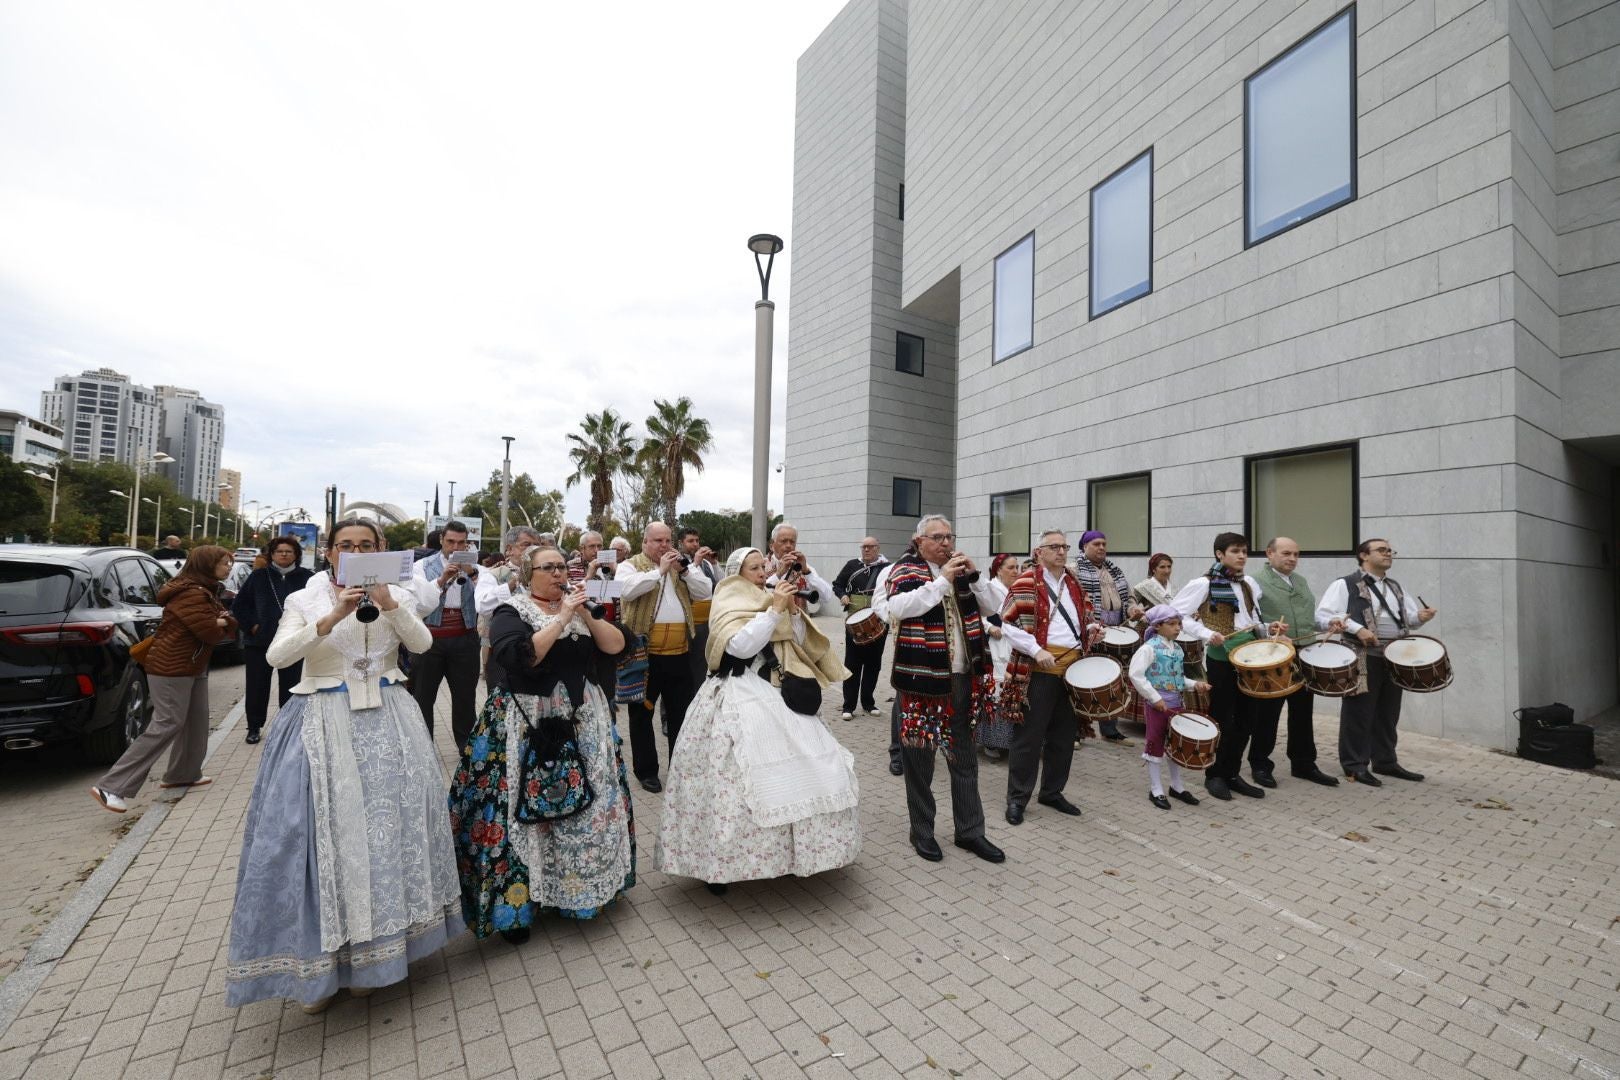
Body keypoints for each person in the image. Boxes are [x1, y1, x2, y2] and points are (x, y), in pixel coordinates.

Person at [225, 519, 462, 1012]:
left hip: (390, 722)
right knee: (320, 839)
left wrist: (391, 604)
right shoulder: (304, 599)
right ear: (331, 553)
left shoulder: (397, 594)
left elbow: (420, 646)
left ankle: (373, 959)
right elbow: (276, 655)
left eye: (366, 546)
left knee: (387, 836)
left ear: (380, 551)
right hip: (323, 721)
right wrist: (333, 615)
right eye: (346, 546)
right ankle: (318, 965)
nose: (355, 552)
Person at [448, 545, 634, 943]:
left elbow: (617, 646)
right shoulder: (510, 611)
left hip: (584, 720)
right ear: (527, 573)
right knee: (519, 812)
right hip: (526, 723)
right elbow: (519, 658)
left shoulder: (581, 609)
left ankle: (579, 891)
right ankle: (517, 908)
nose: (557, 574)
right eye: (547, 568)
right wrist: (561, 618)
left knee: (589, 801)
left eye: (562, 567)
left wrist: (582, 613)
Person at [656, 548, 860, 894]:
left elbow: (796, 641)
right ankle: (717, 865)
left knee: (804, 766)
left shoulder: (770, 595)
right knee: (728, 783)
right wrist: (774, 610)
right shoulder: (728, 596)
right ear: (737, 572)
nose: (760, 572)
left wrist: (792, 613)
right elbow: (737, 647)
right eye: (753, 568)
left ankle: (792, 856)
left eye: (762, 566)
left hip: (776, 689)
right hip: (737, 691)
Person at [887, 516, 1004, 865]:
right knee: (920, 760)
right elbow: (898, 608)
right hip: (921, 681)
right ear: (918, 541)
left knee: (964, 759)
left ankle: (971, 832)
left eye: (948, 536)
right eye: (936, 537)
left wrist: (975, 576)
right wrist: (942, 582)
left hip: (961, 679)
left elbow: (995, 607)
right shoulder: (904, 570)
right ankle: (922, 832)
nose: (945, 543)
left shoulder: (960, 571)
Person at [90, 546, 238, 812]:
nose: (229, 567)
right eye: (224, 563)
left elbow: (220, 622)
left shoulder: (204, 588)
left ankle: (184, 774)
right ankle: (112, 786)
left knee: (195, 721)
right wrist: (220, 623)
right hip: (172, 666)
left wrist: (221, 621)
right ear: (206, 564)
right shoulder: (191, 592)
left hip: (192, 663)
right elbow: (209, 631)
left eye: (229, 563)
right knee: (167, 723)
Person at [1170, 533, 1287, 801]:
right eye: (1235, 551)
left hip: (1250, 656)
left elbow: (1251, 619)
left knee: (1247, 719)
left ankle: (1233, 774)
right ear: (1220, 554)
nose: (1242, 556)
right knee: (1223, 719)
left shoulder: (1248, 584)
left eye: (1245, 551)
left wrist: (1269, 627)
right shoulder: (1204, 583)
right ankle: (1215, 775)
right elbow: (1177, 614)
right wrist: (1206, 633)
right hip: (1221, 658)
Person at [996, 530, 1102, 824]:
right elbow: (1008, 624)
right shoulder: (1025, 582)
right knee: (1028, 738)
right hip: (1038, 669)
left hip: (1072, 668)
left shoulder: (1073, 582)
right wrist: (1035, 648)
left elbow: (1084, 616)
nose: (1061, 551)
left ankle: (1052, 792)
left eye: (1064, 546)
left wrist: (1091, 629)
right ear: (1038, 552)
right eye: (1053, 547)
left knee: (1063, 737)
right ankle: (1017, 798)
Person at [1316, 538, 1437, 786]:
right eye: (1381, 550)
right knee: (1359, 712)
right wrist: (1358, 628)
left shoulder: (1394, 586)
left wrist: (1421, 617)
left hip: (1394, 657)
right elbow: (1324, 615)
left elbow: (1407, 619)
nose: (1388, 553)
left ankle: (1385, 761)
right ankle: (1354, 765)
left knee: (1388, 712)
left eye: (1390, 550)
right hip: (1362, 655)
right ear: (1363, 555)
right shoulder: (1345, 584)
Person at [615, 521, 714, 792]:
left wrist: (686, 571)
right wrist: (659, 572)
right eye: (658, 541)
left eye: (668, 540)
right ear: (645, 543)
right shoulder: (631, 565)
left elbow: (706, 591)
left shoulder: (681, 567)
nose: (664, 546)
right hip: (645, 654)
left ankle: (680, 769)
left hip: (679, 653)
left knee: (681, 713)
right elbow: (626, 590)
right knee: (641, 713)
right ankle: (646, 771)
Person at [1252, 537, 1343, 787]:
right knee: (1267, 714)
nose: (1292, 559)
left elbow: (1308, 617)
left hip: (1304, 654)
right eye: (1286, 553)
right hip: (1274, 658)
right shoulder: (1255, 581)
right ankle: (1260, 764)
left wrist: (1328, 623)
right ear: (1270, 553)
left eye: (1296, 554)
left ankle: (1303, 763)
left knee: (1302, 712)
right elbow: (1250, 619)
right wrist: (1269, 632)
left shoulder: (1300, 581)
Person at [231, 536, 315, 744]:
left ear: (297, 555)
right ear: (272, 554)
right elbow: (240, 605)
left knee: (291, 686)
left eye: (289, 551)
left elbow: (316, 604)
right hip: (259, 643)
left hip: (292, 643)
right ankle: (254, 727)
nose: (284, 554)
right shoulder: (259, 576)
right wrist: (252, 625)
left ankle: (287, 727)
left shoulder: (307, 578)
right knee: (257, 686)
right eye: (279, 551)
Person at [1127, 606, 1211, 809]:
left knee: (1175, 744)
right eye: (1172, 624)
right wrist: (1154, 698)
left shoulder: (1177, 649)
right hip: (1157, 705)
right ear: (1157, 626)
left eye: (1179, 624)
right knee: (1155, 744)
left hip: (1176, 703)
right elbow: (1135, 674)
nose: (1177, 628)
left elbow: (1176, 677)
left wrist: (1194, 684)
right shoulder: (1149, 648)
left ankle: (1177, 786)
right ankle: (1156, 788)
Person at [411, 521, 485, 748]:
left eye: (461, 542)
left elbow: (484, 599)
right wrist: (442, 579)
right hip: (429, 639)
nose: (455, 547)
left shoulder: (478, 568)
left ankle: (468, 754)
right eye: (451, 541)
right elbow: (419, 599)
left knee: (465, 699)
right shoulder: (422, 565)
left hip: (465, 638)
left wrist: (472, 574)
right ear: (442, 539)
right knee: (423, 698)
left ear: (467, 543)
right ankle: (424, 751)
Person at [1073, 531, 1144, 741]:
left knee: (1114, 680)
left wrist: (1132, 609)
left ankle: (1110, 729)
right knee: (1085, 681)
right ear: (1084, 546)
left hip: (1115, 630)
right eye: (1096, 544)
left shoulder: (1115, 571)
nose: (1102, 547)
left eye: (1104, 543)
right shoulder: (1075, 570)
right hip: (1090, 631)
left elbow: (1129, 597)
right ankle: (1076, 731)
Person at [475, 526, 544, 686]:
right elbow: (482, 605)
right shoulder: (493, 574)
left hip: (541, 648)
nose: (533, 550)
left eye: (537, 545)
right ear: (509, 549)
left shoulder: (547, 572)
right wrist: (513, 583)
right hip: (503, 650)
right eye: (526, 545)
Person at [831, 536, 890, 720]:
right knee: (852, 663)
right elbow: (837, 584)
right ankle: (848, 706)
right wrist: (842, 596)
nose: (866, 550)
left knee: (874, 663)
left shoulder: (886, 568)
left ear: (877, 548)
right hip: (855, 621)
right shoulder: (851, 565)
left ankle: (868, 702)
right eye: (864, 547)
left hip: (878, 620)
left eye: (870, 547)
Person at [972, 553, 1020, 760]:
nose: (1016, 571)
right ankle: (991, 741)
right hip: (994, 647)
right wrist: (990, 627)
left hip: (1014, 646)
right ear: (999, 569)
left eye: (1017, 567)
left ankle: (1012, 741)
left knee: (1014, 692)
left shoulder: (1017, 590)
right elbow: (977, 614)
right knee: (995, 693)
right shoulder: (990, 589)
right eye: (1011, 567)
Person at [676, 525, 722, 693]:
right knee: (691, 666)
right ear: (681, 543)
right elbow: (693, 585)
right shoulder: (679, 561)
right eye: (690, 541)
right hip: (689, 621)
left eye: (697, 540)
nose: (695, 544)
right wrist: (695, 562)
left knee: (704, 664)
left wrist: (714, 563)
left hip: (709, 620)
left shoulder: (706, 563)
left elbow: (720, 582)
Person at [764, 522, 835, 615]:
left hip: (798, 626)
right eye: (784, 541)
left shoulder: (804, 567)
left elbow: (827, 596)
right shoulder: (760, 565)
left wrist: (807, 572)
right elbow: (758, 597)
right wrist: (779, 574)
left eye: (792, 542)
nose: (789, 545)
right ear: (772, 545)